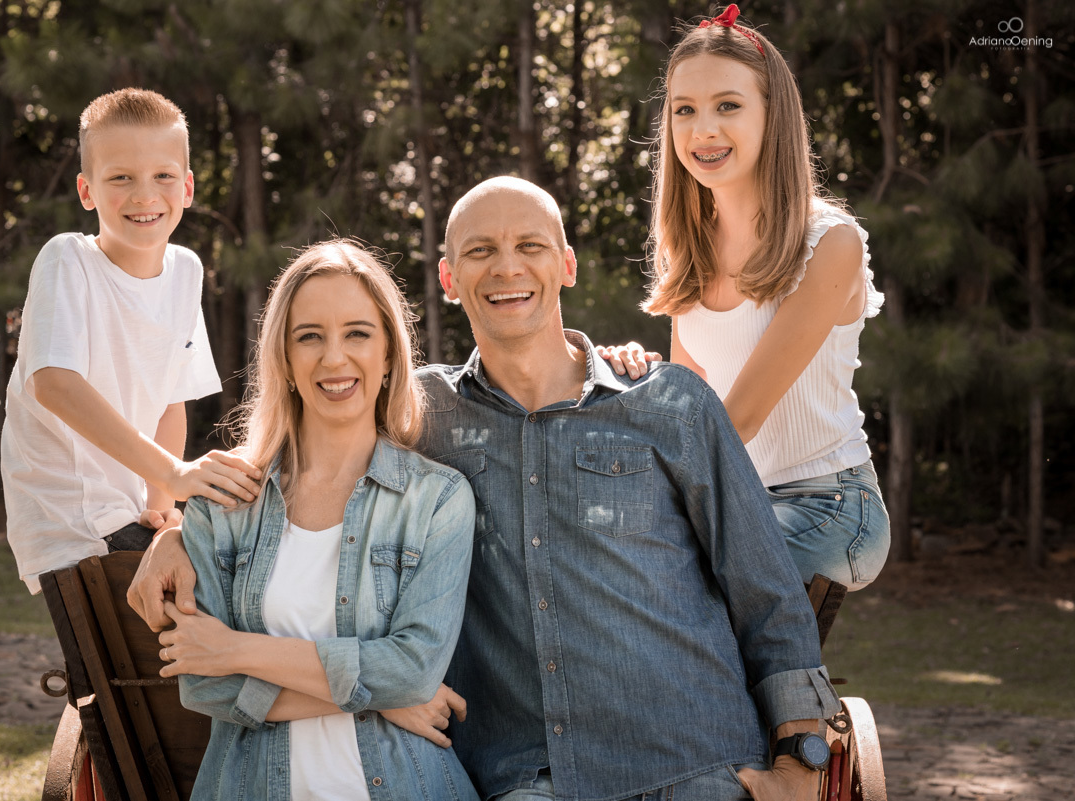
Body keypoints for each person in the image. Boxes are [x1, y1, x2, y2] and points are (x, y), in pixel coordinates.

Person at [130, 177, 840, 801]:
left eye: (530, 245)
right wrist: (181, 532)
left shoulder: (668, 404)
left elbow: (767, 591)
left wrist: (801, 761)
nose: (507, 267)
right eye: (480, 250)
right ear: (448, 276)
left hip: (695, 768)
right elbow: (310, 443)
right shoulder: (421, 414)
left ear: (566, 264)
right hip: (530, 777)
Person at [155, 239, 479, 801]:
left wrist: (236, 650)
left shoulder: (437, 499)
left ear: (388, 354)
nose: (334, 359)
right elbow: (203, 685)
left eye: (357, 333)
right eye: (309, 336)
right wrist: (379, 698)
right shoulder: (223, 503)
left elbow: (412, 671)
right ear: (283, 359)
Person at [601, 4, 890, 590]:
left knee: (664, 581)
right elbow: (688, 407)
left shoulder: (829, 243)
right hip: (737, 503)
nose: (703, 129)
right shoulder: (691, 250)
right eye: (685, 110)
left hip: (830, 505)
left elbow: (739, 418)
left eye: (728, 105)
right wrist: (629, 376)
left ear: (772, 114)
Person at [1, 88, 262, 594]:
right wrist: (174, 472)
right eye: (121, 178)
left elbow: (170, 404)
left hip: (128, 513)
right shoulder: (67, 259)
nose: (145, 196)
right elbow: (53, 383)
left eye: (163, 176)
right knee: (219, 598)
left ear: (187, 187)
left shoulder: (185, 271)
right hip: (74, 521)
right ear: (87, 191)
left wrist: (161, 509)